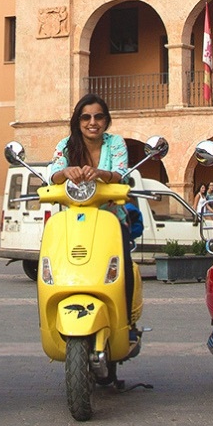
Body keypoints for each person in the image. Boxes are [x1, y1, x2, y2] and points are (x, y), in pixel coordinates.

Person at [45, 94, 140, 305]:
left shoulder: (115, 142)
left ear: (106, 120)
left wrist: (99, 173)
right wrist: (66, 172)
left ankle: (127, 323)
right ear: (77, 122)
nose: (92, 123)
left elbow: (120, 173)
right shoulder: (65, 145)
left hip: (111, 217)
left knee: (122, 265)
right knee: (53, 264)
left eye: (98, 117)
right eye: (85, 117)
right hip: (74, 220)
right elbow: (53, 174)